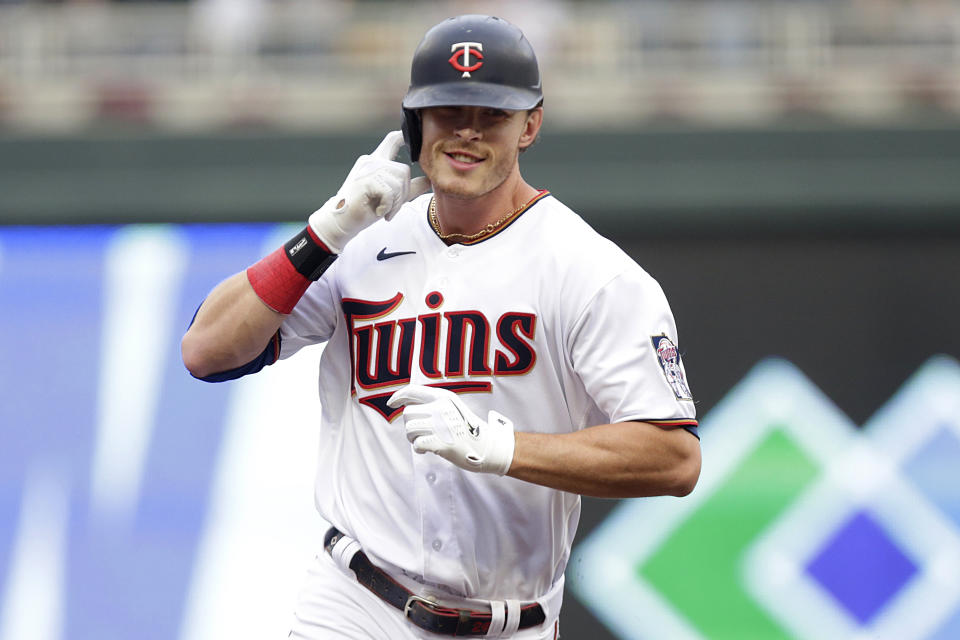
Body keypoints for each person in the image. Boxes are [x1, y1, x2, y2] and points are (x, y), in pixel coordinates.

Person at [181, 14, 700, 640]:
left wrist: (500, 446)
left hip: (511, 619)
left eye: (492, 115)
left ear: (530, 124)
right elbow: (206, 350)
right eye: (448, 111)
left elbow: (674, 458)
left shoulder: (588, 269)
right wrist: (324, 232)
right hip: (355, 601)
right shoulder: (362, 237)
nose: (467, 133)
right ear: (414, 120)